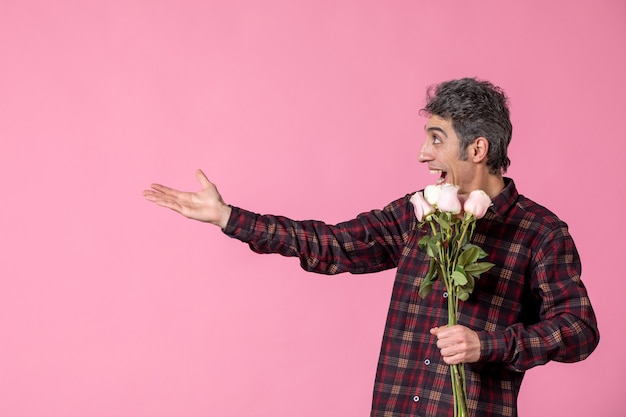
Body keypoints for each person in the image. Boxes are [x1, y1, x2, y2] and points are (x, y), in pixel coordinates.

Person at [142, 78, 599, 417]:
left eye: (436, 139)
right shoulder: (417, 213)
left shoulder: (540, 232)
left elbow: (579, 330)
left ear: (477, 148)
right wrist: (228, 217)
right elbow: (334, 243)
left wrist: (489, 344)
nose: (422, 154)